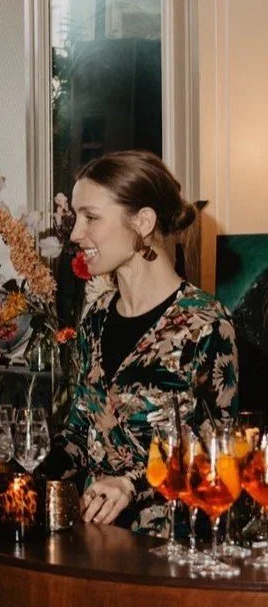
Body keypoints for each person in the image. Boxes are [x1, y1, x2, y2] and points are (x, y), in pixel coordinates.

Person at [44, 150, 239, 532]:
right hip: (93, 540)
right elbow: (78, 436)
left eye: (91, 217)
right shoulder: (95, 319)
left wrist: (131, 484)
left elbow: (217, 456)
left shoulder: (206, 326)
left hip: (170, 546)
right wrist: (20, 467)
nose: (75, 233)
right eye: (76, 218)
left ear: (143, 222)